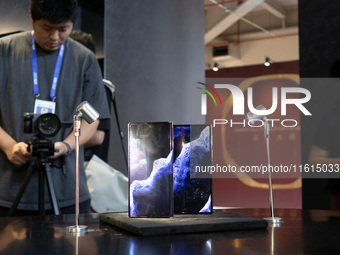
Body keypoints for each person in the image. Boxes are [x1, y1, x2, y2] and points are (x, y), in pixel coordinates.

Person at [0, 0, 110, 216]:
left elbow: (92, 119)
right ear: (32, 19)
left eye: (63, 29)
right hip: (8, 187)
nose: (54, 37)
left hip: (67, 188)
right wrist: (8, 146)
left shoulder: (84, 59)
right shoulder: (5, 51)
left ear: (72, 24)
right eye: (47, 28)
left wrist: (67, 146)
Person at [69, 30, 111, 163]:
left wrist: (63, 145)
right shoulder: (72, 86)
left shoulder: (98, 87)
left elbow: (97, 136)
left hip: (88, 168)